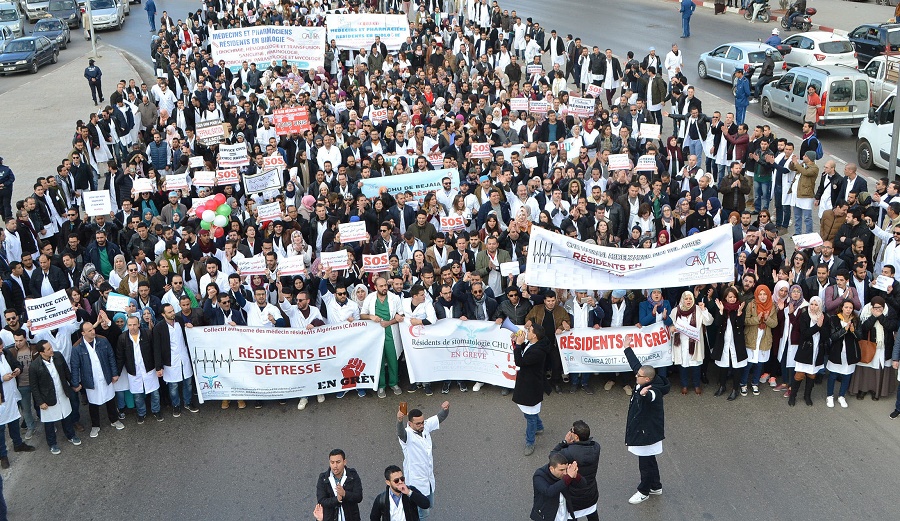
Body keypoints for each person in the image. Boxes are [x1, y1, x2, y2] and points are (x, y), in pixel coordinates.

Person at [623, 338, 670, 505]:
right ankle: (656, 486)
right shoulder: (644, 377)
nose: (636, 375)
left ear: (647, 380)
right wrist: (627, 348)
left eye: (639, 375)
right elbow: (636, 365)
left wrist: (643, 394)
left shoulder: (653, 392)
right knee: (650, 460)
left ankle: (643, 491)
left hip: (647, 433)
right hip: (647, 430)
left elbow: (652, 397)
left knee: (645, 463)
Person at [70, 321, 125, 438]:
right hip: (90, 379)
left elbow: (111, 357)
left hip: (105, 375)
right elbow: (75, 366)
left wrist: (115, 373)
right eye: (89, 330)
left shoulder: (103, 340)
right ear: (83, 333)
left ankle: (114, 420)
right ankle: (95, 425)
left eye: (93, 329)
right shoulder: (76, 348)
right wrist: (75, 383)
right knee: (93, 403)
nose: (93, 331)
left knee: (110, 399)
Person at [396, 401, 449, 521]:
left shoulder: (424, 426)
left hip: (429, 479)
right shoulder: (407, 435)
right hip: (417, 482)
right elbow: (400, 433)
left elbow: (439, 418)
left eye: (422, 422)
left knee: (428, 505)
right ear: (410, 423)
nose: (421, 425)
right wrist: (399, 421)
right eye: (418, 424)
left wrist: (445, 409)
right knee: (423, 514)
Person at [29, 340, 82, 455]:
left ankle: (71, 435)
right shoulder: (34, 366)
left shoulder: (58, 356)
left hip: (62, 393)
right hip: (47, 398)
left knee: (66, 416)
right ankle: (52, 443)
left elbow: (67, 372)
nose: (51, 350)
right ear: (42, 353)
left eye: (51, 347)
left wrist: (74, 385)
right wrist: (40, 402)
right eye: (48, 349)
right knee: (49, 422)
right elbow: (34, 387)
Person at [152, 303, 198, 416]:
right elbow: (156, 349)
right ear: (163, 314)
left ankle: (188, 402)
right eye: (169, 312)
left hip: (184, 357)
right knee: (173, 386)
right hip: (170, 361)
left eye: (173, 310)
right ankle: (176, 405)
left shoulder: (179, 320)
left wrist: (190, 327)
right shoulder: (159, 328)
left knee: (188, 383)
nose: (173, 313)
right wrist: (158, 366)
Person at [549, 420, 601, 521]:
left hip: (573, 497)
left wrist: (564, 442)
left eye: (571, 431)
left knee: (572, 517)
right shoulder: (596, 447)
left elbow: (553, 456)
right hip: (591, 493)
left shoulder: (568, 452)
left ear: (576, 437)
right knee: (592, 515)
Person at [117, 315, 163, 423]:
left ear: (139, 324)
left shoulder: (147, 334)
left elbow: (155, 351)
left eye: (134, 324)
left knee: (155, 392)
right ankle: (141, 413)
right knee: (137, 395)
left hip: (149, 369)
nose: (132, 327)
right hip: (134, 371)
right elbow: (120, 357)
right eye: (130, 325)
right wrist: (117, 373)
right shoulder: (123, 338)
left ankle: (156, 410)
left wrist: (158, 367)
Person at [512, 324, 549, 456]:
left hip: (531, 385)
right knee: (531, 412)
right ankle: (539, 427)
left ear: (535, 336)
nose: (527, 331)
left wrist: (517, 345)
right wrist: (516, 342)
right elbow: (523, 349)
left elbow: (519, 361)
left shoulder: (538, 351)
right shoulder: (533, 344)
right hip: (528, 383)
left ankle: (530, 442)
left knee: (530, 416)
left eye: (529, 331)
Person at [0, 343, 35, 468]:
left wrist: (18, 369)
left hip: (11, 393)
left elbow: (16, 364)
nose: (0, 350)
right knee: (0, 427)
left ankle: (18, 444)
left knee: (14, 419)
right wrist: (2, 378)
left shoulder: (6, 353)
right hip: (1, 398)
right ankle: (2, 455)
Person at [826, 299, 860, 408]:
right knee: (833, 375)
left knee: (847, 375)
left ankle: (841, 396)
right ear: (842, 307)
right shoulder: (834, 319)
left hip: (850, 352)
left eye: (850, 308)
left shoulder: (856, 320)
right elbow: (832, 336)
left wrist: (853, 330)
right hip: (837, 351)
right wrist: (844, 329)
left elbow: (860, 337)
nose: (848, 310)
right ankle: (830, 396)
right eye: (846, 307)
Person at [529, 452, 580, 521]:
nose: (565, 473)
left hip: (566, 514)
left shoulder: (565, 474)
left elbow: (583, 485)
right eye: (561, 470)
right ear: (551, 468)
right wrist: (568, 477)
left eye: (566, 469)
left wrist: (576, 475)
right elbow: (549, 492)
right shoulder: (539, 476)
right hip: (548, 515)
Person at [316, 448, 364, 521]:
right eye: (332, 462)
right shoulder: (323, 478)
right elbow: (321, 500)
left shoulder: (352, 475)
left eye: (338, 462)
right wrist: (337, 499)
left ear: (344, 462)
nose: (335, 466)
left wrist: (345, 494)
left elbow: (358, 497)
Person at [0, 156, 13, 221]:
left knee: (0, 204)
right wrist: (4, 184)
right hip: (6, 189)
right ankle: (8, 218)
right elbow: (12, 178)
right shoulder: (7, 169)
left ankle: (3, 216)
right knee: (7, 203)